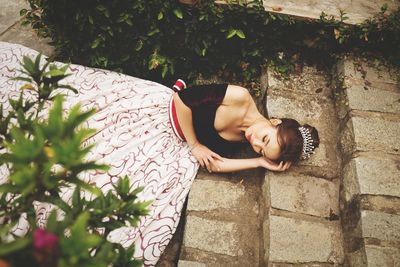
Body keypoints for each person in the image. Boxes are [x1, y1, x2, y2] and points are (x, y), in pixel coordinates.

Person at [0, 42, 319, 266]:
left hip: (170, 148)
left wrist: (259, 162)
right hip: (157, 111)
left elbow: (215, 164)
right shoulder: (239, 97)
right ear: (274, 121)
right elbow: (182, 101)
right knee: (76, 118)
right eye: (265, 137)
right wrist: (194, 144)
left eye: (262, 147)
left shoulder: (248, 146)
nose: (256, 141)